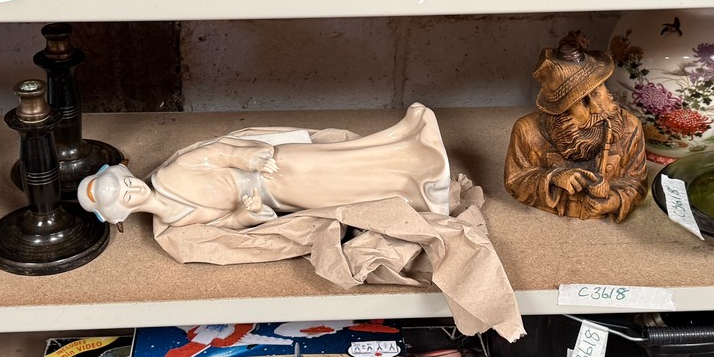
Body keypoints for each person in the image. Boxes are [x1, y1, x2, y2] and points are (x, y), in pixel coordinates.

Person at [79, 103, 451, 230]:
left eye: (124, 182)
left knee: (340, 164)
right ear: (122, 213)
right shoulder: (175, 218)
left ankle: (412, 150)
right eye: (124, 196)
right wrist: (248, 214)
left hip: (271, 167)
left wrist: (249, 157)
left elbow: (220, 153)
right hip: (273, 196)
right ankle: (414, 193)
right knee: (342, 194)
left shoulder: (171, 173)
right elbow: (226, 222)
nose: (132, 188)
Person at [504, 31, 648, 221]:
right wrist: (553, 178)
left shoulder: (630, 127)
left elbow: (637, 181)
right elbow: (515, 180)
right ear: (560, 111)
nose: (596, 108)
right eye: (581, 102)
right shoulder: (528, 131)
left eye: (597, 91)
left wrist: (615, 201)